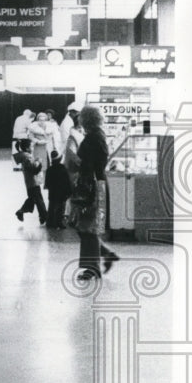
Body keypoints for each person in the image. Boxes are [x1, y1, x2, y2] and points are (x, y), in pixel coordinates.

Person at [73, 105, 120, 280]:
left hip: (90, 185)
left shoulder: (91, 138)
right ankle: (105, 254)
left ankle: (93, 267)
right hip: (98, 183)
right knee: (87, 227)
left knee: (86, 228)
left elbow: (86, 164)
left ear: (85, 120)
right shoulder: (99, 135)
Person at [13, 138, 47, 225]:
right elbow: (33, 169)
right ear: (27, 148)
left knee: (32, 200)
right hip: (33, 182)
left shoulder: (25, 156)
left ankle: (22, 211)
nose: (33, 148)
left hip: (30, 183)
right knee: (39, 200)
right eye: (31, 146)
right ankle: (44, 216)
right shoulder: (27, 157)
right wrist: (38, 162)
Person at [44, 150, 72, 229]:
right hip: (61, 192)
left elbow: (47, 182)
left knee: (51, 206)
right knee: (60, 208)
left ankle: (50, 222)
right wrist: (69, 191)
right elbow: (67, 181)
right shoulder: (62, 168)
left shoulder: (49, 169)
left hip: (52, 191)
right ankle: (59, 222)